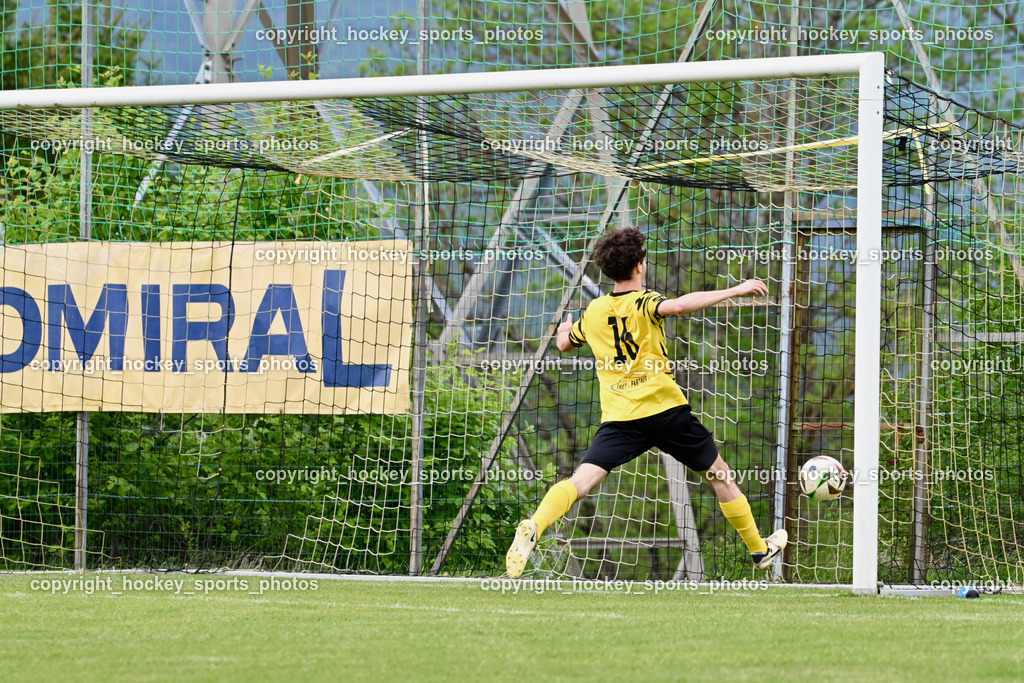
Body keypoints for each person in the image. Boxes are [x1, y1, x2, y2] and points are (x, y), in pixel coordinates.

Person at [505, 226, 787, 578]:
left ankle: (535, 524)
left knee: (581, 482)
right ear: (639, 266)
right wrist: (738, 289)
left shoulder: (593, 312)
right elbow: (682, 305)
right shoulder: (646, 301)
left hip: (621, 419)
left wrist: (563, 329)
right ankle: (759, 551)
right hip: (666, 412)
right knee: (721, 477)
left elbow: (564, 344)